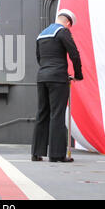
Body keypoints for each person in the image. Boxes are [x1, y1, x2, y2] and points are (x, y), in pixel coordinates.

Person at [31, 9, 83, 163]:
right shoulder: (63, 32)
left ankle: (36, 153)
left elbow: (39, 57)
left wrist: (47, 70)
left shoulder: (42, 34)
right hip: (58, 78)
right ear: (68, 23)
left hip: (42, 77)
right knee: (57, 114)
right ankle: (56, 154)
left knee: (42, 113)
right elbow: (74, 54)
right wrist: (78, 75)